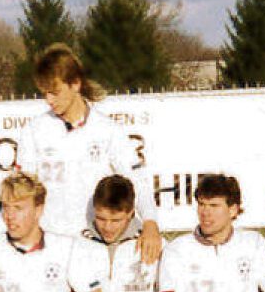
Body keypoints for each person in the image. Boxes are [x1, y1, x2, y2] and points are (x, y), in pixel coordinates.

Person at [19, 43, 161, 261]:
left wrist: (150, 223)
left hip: (94, 246)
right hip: (49, 245)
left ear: (75, 84)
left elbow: (136, 180)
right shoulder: (35, 130)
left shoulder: (107, 129)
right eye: (45, 93)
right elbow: (23, 190)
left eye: (55, 92)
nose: (49, 100)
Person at [71, 175, 163, 292]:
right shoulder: (81, 245)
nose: (107, 227)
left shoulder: (153, 243)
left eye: (116, 220)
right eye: (101, 218)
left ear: (131, 213)